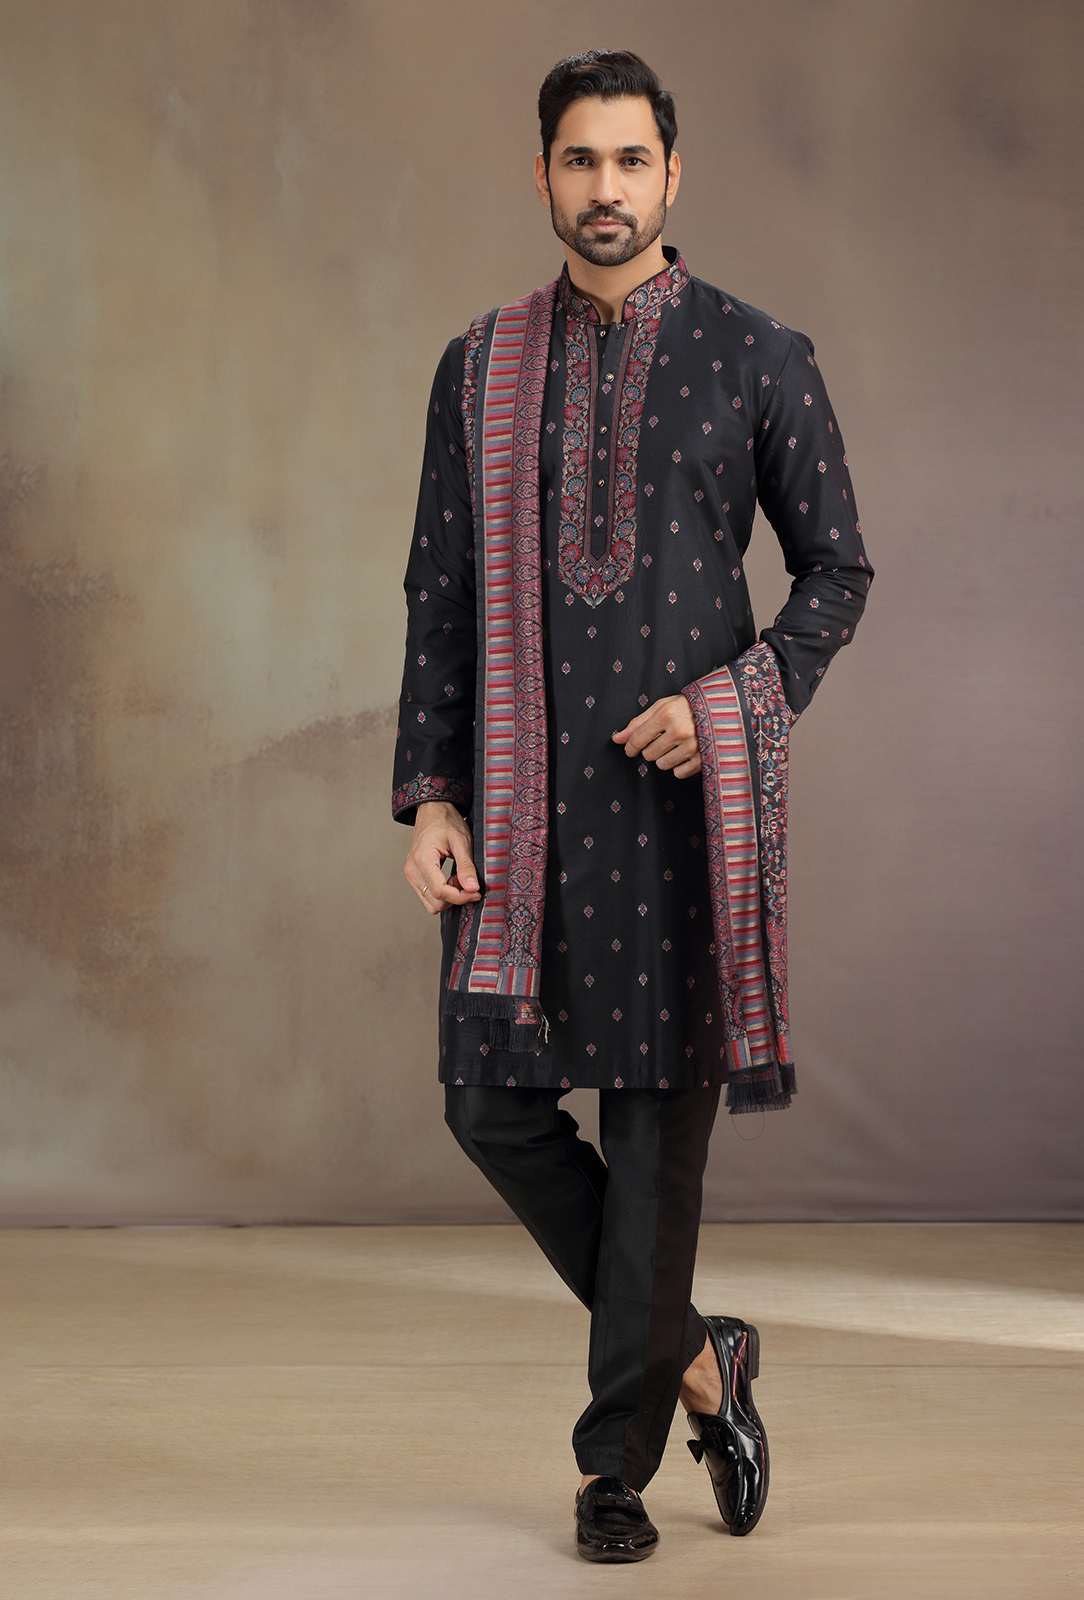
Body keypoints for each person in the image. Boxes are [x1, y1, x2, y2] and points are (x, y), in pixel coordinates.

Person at [392, 50, 872, 1563]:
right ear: (541, 174)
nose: (606, 189)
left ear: (674, 173)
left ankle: (614, 1472)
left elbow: (836, 570)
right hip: (519, 820)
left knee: (659, 1137)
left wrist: (734, 700)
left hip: (679, 812)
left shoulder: (757, 354)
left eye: (631, 160)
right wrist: (429, 795)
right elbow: (439, 594)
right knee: (490, 1106)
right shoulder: (477, 366)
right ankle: (700, 1357)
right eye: (579, 160)